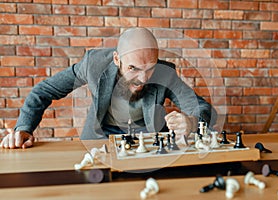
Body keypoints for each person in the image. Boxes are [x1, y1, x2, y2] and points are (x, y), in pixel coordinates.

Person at [0, 27, 217, 149]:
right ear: (116, 59)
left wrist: (192, 121)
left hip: (148, 144)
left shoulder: (164, 73)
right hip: (100, 142)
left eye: (149, 68)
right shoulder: (94, 65)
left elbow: (200, 106)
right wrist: (23, 129)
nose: (143, 78)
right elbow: (44, 91)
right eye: (133, 68)